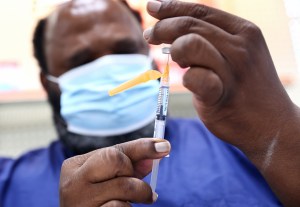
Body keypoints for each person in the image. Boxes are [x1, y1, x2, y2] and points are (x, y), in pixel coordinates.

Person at [0, 1, 297, 207]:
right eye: (83, 61)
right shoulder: (8, 185)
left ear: (149, 57)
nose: (110, 74)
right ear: (47, 82)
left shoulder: (246, 145)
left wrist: (280, 131)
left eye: (125, 50)